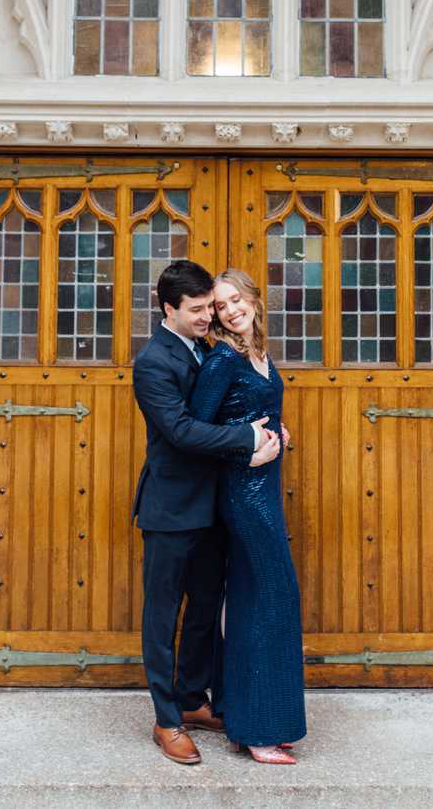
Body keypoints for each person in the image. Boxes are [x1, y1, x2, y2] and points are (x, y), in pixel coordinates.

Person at [132, 259, 281, 765]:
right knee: (162, 614)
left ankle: (193, 699)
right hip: (171, 508)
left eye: (208, 307)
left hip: (215, 504)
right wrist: (247, 438)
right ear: (168, 308)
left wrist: (270, 431)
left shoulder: (209, 349)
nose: (206, 317)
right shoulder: (153, 362)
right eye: (196, 310)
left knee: (202, 610)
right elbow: (181, 431)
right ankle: (166, 719)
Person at [188, 267, 307, 764]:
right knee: (269, 599)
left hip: (265, 490)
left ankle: (242, 718)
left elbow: (255, 413)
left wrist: (279, 434)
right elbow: (195, 430)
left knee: (254, 600)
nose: (230, 310)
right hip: (244, 494)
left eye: (235, 300)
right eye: (220, 306)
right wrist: (245, 452)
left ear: (254, 299)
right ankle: (258, 732)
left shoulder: (258, 353)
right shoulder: (221, 361)